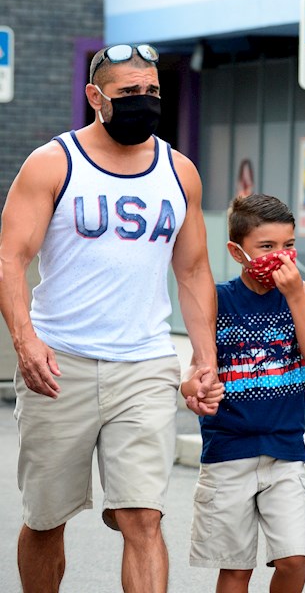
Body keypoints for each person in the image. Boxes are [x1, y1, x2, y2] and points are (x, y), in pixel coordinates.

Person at [0, 43, 220, 593]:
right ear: (95, 97)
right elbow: (10, 258)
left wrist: (204, 360)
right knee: (47, 519)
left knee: (143, 517)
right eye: (129, 94)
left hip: (144, 365)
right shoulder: (53, 163)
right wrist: (25, 343)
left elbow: (193, 271)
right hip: (59, 365)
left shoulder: (180, 172)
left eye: (152, 92)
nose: (144, 103)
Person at [187, 193, 305, 592]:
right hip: (229, 450)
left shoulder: (299, 294)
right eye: (266, 247)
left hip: (285, 449)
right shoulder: (218, 299)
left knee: (293, 560)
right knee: (235, 568)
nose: (279, 256)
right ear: (237, 251)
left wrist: (297, 295)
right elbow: (196, 367)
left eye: (288, 246)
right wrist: (192, 387)